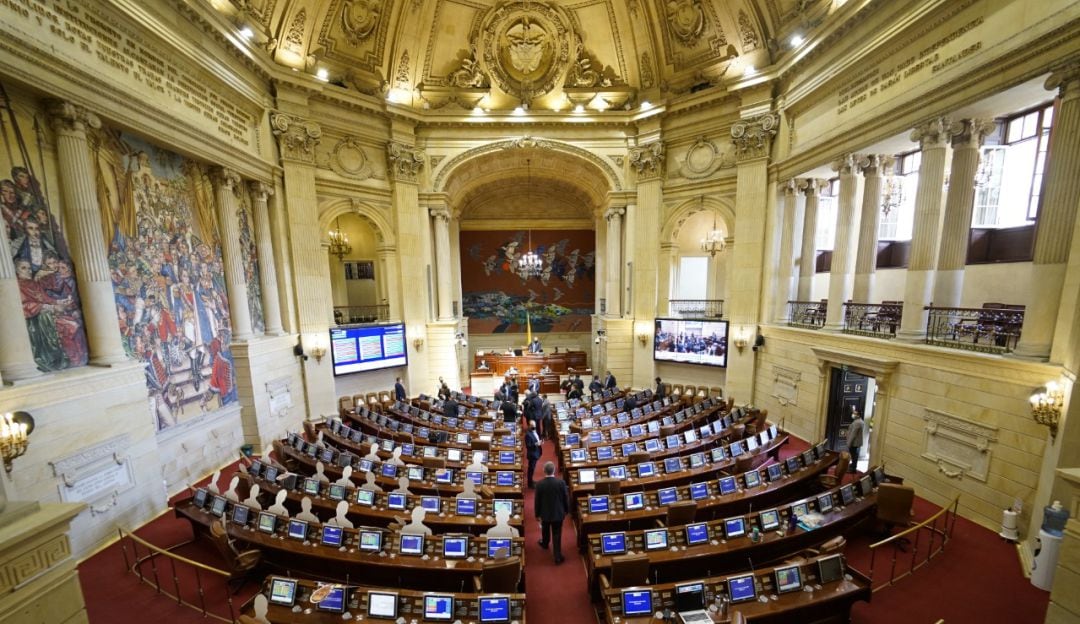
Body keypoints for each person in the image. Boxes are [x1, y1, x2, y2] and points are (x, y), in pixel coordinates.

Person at [534, 461, 569, 564]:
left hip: (545, 513)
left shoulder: (539, 484)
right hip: (558, 513)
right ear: (554, 471)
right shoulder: (561, 483)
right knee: (557, 533)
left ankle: (545, 543)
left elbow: (537, 501)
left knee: (545, 529)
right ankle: (557, 556)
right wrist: (566, 510)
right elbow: (565, 499)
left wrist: (537, 514)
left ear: (544, 471)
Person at [846, 408, 865, 473]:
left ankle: (853, 468)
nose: (853, 414)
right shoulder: (859, 421)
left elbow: (853, 434)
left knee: (854, 456)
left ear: (858, 415)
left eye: (855, 413)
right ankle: (853, 466)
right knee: (855, 455)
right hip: (857, 442)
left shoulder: (857, 423)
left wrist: (849, 443)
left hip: (854, 443)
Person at [525, 420, 542, 488]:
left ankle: (531, 480)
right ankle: (529, 483)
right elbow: (528, 446)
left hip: (536, 452)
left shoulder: (534, 431)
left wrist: (539, 442)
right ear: (529, 426)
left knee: (532, 468)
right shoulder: (528, 435)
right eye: (532, 426)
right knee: (531, 469)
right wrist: (536, 444)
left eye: (534, 425)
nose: (534, 427)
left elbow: (536, 439)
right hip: (532, 454)